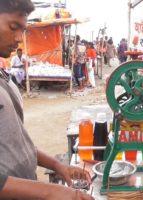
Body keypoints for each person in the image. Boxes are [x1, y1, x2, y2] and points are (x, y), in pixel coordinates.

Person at [0, 1, 93, 199]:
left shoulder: (4, 76)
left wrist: (57, 166)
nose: (18, 39)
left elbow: (15, 141)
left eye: (22, 30)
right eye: (13, 27)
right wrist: (51, 192)